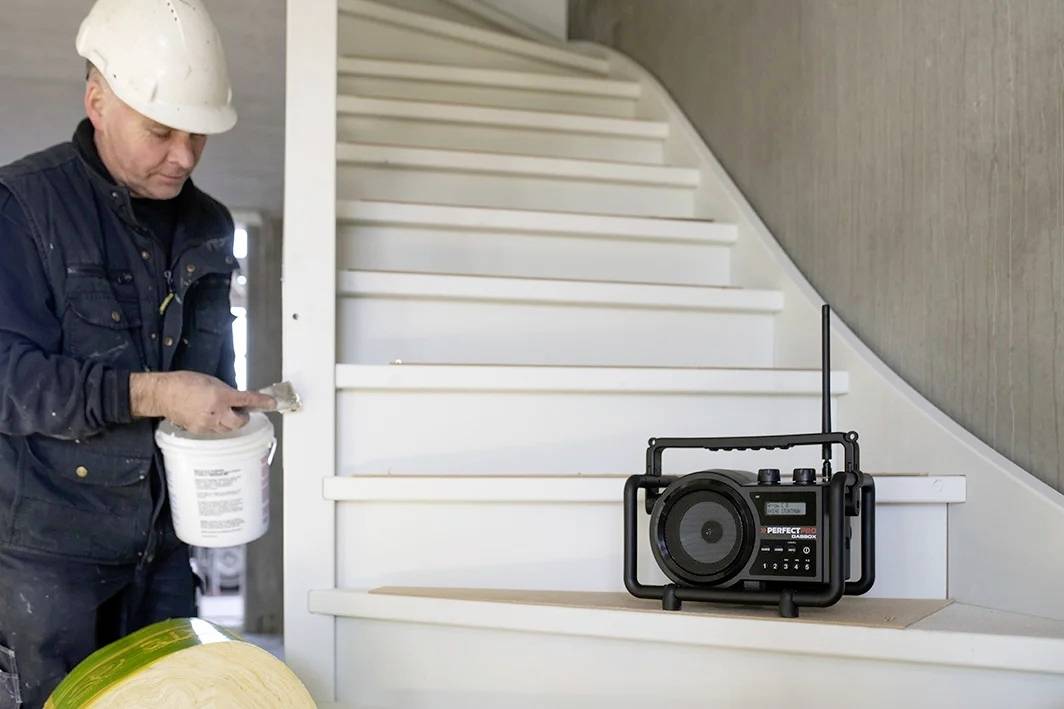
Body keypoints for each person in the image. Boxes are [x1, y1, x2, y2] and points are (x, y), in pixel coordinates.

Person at [0, 1, 274, 706]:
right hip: (46, 565)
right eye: (161, 131)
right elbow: (8, 379)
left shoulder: (209, 226)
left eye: (198, 135)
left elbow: (209, 375)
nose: (183, 155)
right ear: (98, 102)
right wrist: (155, 394)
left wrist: (232, 416)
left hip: (164, 554)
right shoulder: (23, 207)